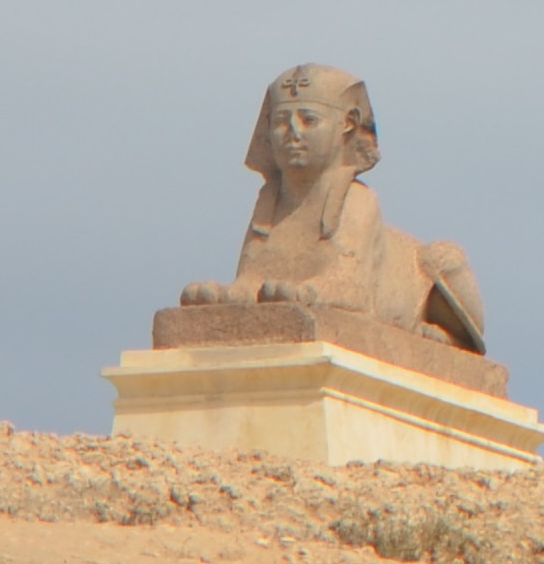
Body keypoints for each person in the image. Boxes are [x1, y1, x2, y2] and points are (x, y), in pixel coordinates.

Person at [179, 63, 489, 354]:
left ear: (348, 124)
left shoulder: (358, 202)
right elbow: (252, 279)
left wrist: (307, 294)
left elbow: (349, 290)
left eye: (308, 120)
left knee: (442, 257)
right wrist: (230, 295)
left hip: (417, 289)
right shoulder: (268, 201)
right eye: (280, 122)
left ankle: (455, 336)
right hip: (299, 294)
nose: (293, 134)